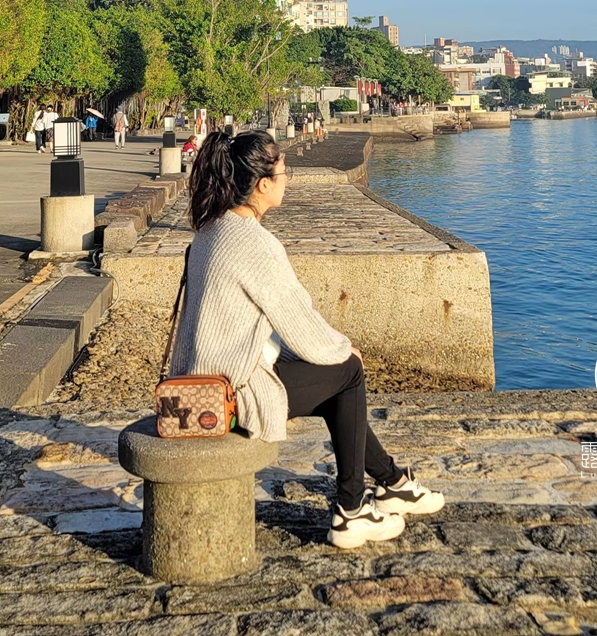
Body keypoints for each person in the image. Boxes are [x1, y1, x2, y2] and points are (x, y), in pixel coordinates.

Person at [169, 129, 444, 550]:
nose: (288, 179)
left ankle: (392, 482)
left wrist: (328, 353)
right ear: (263, 184)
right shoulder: (254, 244)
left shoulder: (210, 230)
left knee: (336, 383)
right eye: (284, 171)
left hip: (196, 384)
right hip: (230, 394)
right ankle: (352, 511)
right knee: (348, 372)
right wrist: (342, 349)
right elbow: (298, 321)